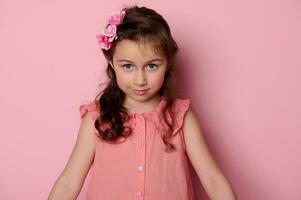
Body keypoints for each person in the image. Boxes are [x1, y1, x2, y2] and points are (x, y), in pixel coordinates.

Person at [48, 5, 237, 200]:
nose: (140, 80)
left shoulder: (181, 117)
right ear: (112, 63)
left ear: (168, 62)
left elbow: (212, 179)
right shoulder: (96, 118)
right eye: (128, 66)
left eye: (152, 66)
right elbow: (69, 182)